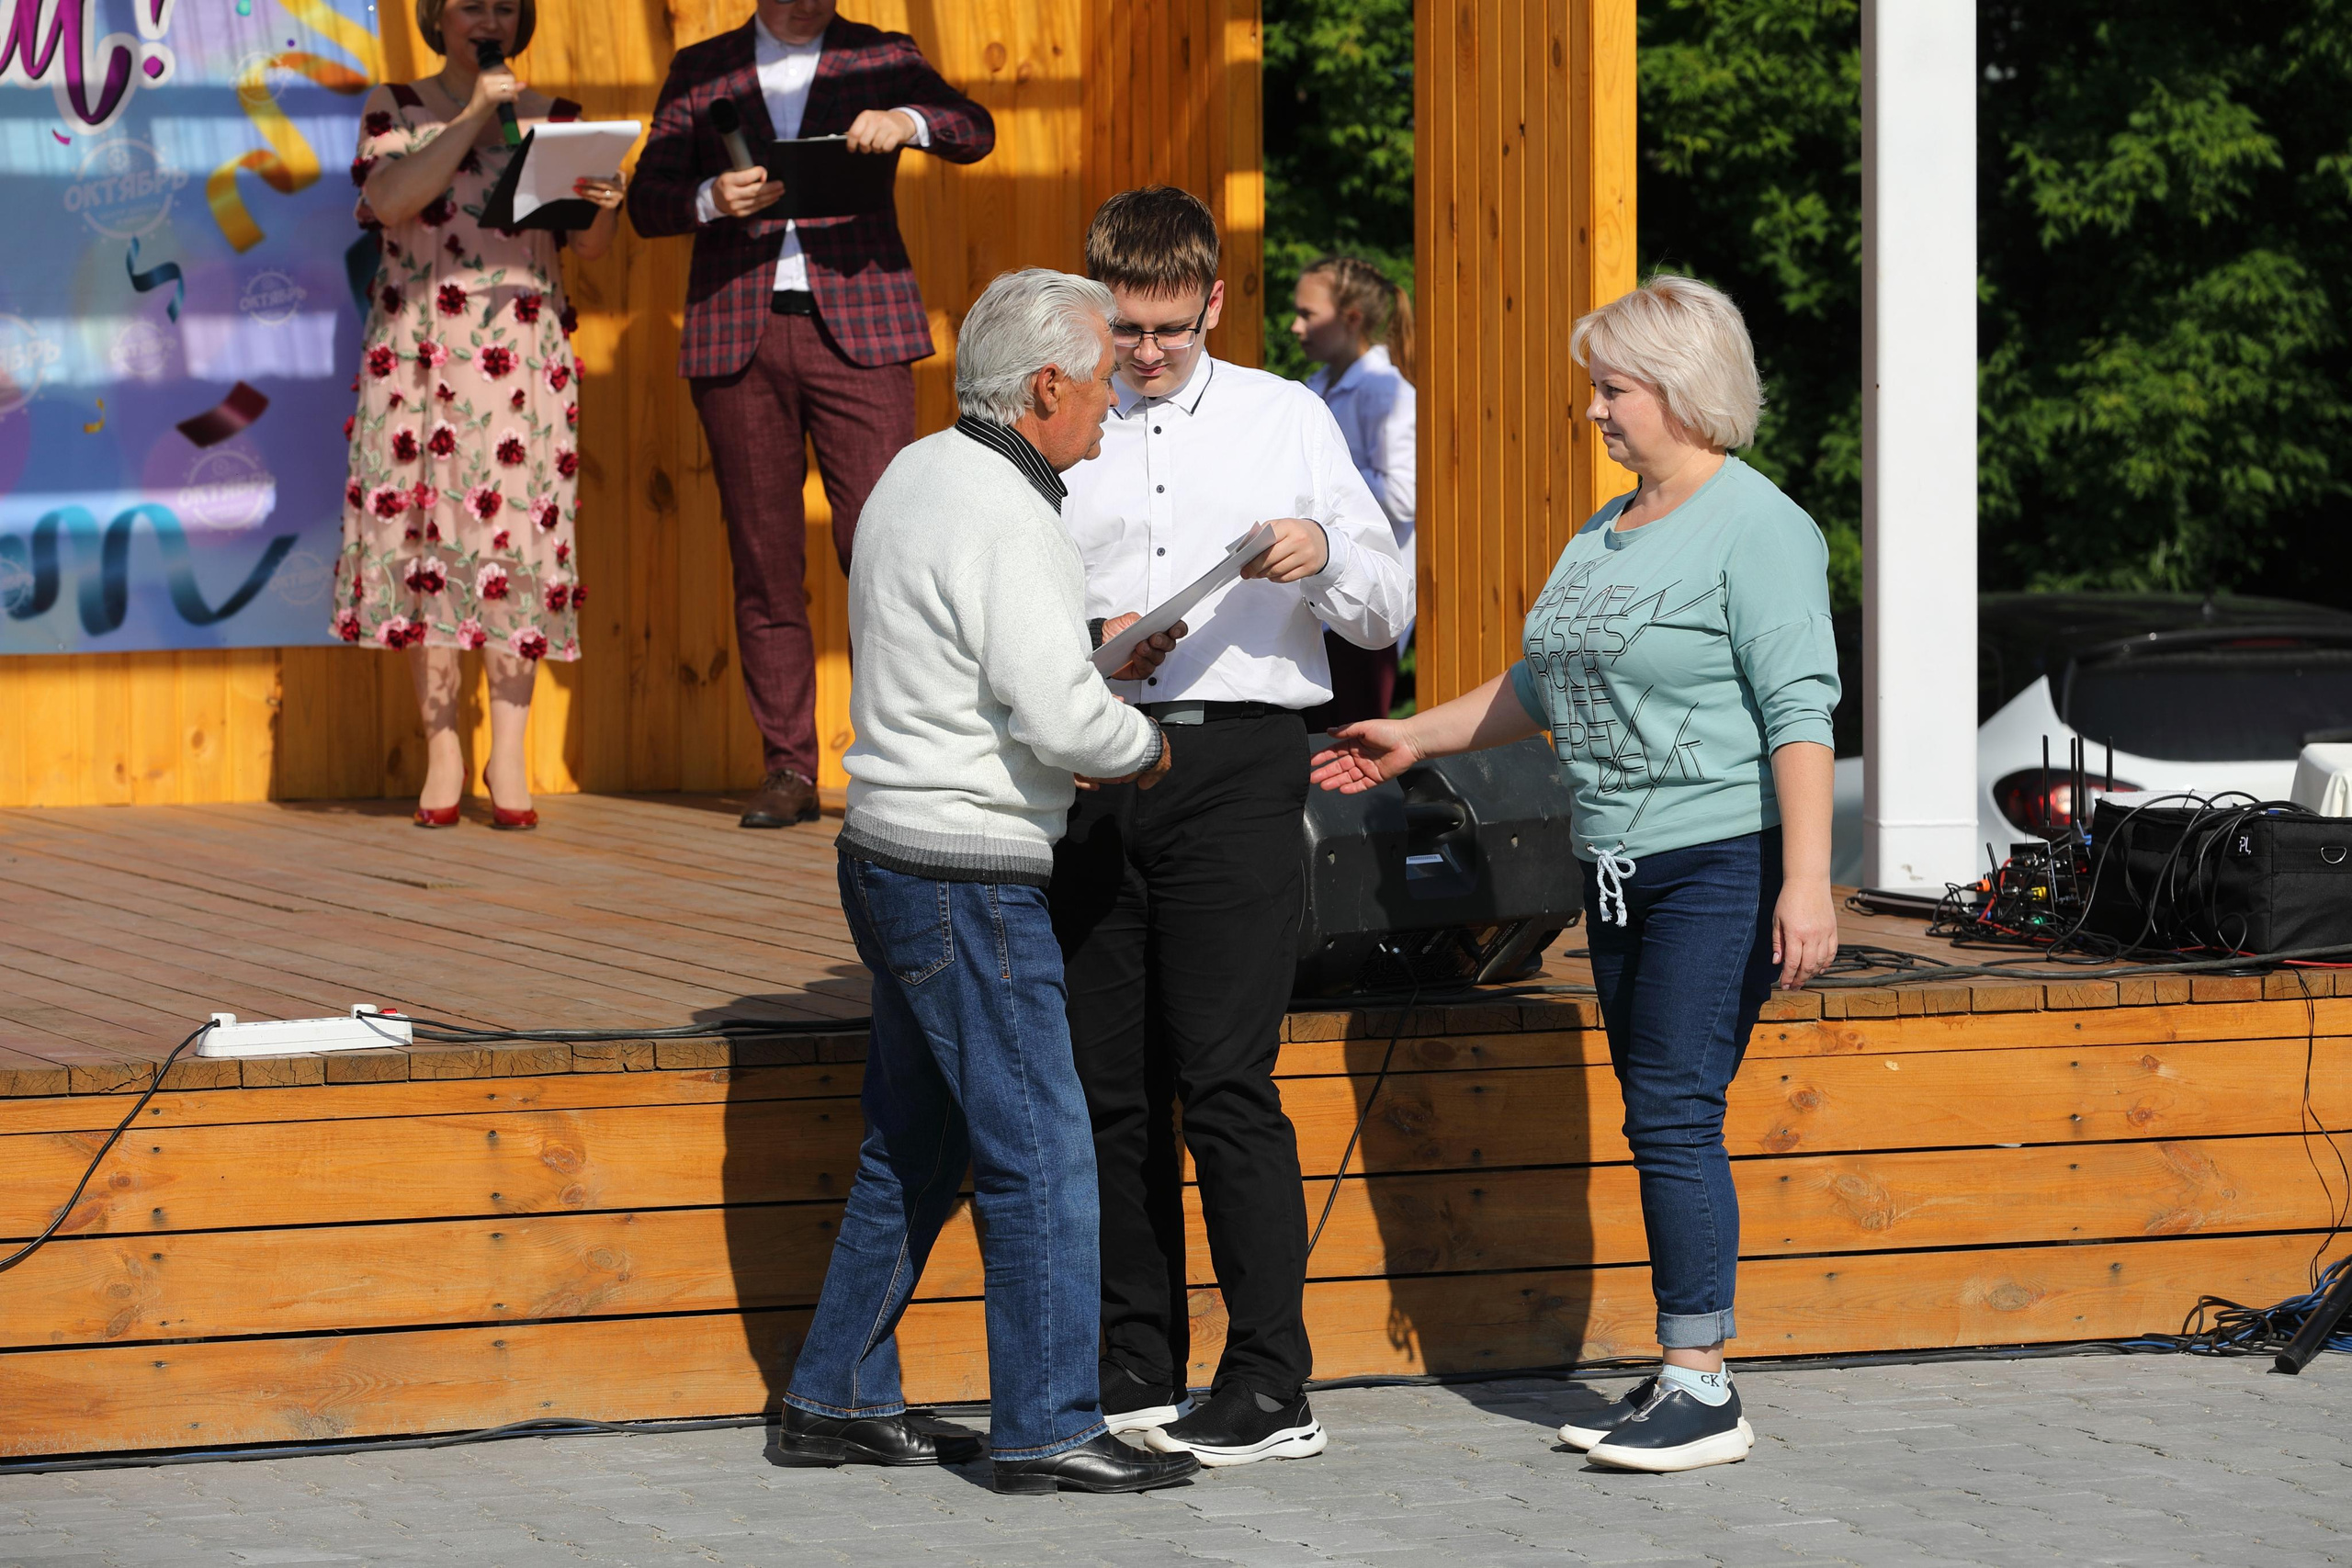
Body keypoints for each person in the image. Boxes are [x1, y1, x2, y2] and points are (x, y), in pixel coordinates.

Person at [1308, 275, 1840, 1473]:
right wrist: (1411, 732)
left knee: (1672, 1109)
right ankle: (1682, 1371)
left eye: (1614, 388)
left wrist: (1807, 882)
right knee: (1660, 1107)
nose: (1595, 409)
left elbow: (1800, 710)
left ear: (1686, 392)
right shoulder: (1603, 533)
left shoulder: (1761, 526)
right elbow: (1541, 687)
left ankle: (1703, 1382)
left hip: (1718, 859)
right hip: (1613, 866)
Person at [776, 268, 1198, 1497]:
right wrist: (1143, 740)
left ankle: (836, 1393)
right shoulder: (1015, 511)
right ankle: (1049, 1422)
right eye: (1105, 379)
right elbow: (1061, 717)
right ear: (1046, 385)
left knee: (915, 1144)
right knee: (1045, 1149)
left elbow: (966, 649)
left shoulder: (917, 470)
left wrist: (1085, 639)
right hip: (966, 867)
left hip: (892, 848)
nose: (1115, 403)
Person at [1052, 187, 1414, 1467]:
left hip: (1239, 762)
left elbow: (1385, 610)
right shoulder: (1062, 414)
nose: (1144, 352)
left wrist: (1322, 547)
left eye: (1167, 326)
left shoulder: (1288, 416)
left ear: (1214, 301)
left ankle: (1270, 1379)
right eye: (1124, 327)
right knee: (1107, 1089)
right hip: (1091, 766)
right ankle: (1131, 1360)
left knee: (1225, 1078)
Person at [628, 0, 995, 830]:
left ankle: (901, 761)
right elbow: (648, 201)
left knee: (885, 556)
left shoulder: (882, 55)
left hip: (862, 335)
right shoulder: (701, 66)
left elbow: (974, 129)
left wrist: (906, 119)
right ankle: (788, 768)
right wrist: (712, 198)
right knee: (763, 561)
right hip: (736, 337)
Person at [334, 0, 623, 831]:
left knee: (515, 546)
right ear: (436, 19)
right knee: (428, 543)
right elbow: (392, 199)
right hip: (419, 358)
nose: (486, 18)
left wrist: (607, 197)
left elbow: (594, 246)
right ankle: (442, 750)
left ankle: (511, 748)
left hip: (520, 365)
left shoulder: (558, 121)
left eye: (503, 5)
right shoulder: (396, 105)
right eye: (470, 5)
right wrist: (472, 115)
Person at [1291, 255, 1417, 729]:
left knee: (1352, 745)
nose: (1294, 325)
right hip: (1321, 599)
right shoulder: (1316, 386)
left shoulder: (1388, 392)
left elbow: (1405, 495)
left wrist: (1326, 482)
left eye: (1307, 314)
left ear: (1351, 319)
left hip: (1367, 601)